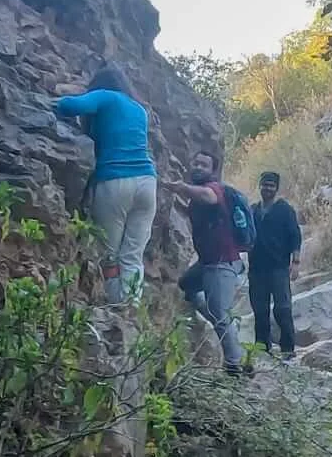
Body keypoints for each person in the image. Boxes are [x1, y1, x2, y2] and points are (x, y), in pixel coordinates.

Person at [52, 64, 157, 305]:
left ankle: (115, 307)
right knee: (133, 255)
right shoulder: (139, 109)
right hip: (147, 183)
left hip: (115, 181)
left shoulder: (106, 96)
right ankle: (132, 307)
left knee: (109, 254)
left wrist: (60, 96)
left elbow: (70, 106)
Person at [164, 150, 247, 374]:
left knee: (220, 314)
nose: (198, 167)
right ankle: (226, 325)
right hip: (207, 263)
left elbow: (208, 197)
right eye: (196, 163)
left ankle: (234, 364)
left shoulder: (213, 189)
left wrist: (181, 187)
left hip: (222, 264)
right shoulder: (199, 192)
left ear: (212, 171)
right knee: (187, 286)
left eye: (204, 165)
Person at [248, 171, 302, 359]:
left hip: (278, 268)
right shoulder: (253, 210)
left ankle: (288, 350)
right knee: (259, 310)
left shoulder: (284, 210)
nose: (267, 188)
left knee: (282, 309)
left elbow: (295, 236)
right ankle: (262, 349)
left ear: (276, 189)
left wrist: (295, 262)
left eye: (271, 185)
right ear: (259, 186)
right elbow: (244, 235)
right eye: (264, 185)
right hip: (256, 269)